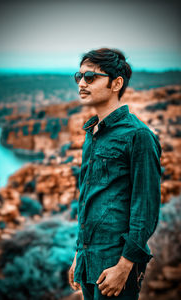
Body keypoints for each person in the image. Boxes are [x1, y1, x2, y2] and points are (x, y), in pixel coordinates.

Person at [68, 48, 162, 300]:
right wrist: (80, 253)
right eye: (79, 76)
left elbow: (146, 207)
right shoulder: (93, 134)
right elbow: (89, 199)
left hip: (115, 262)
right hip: (89, 259)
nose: (82, 83)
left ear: (116, 83)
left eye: (91, 77)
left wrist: (124, 266)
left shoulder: (138, 136)